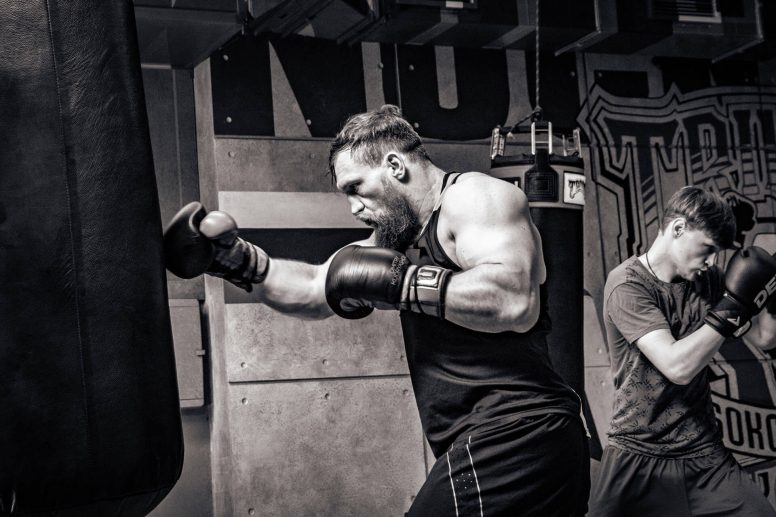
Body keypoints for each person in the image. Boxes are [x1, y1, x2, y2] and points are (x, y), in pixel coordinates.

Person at [164, 105, 590, 516]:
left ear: (395, 166)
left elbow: (513, 300)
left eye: (355, 188)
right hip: (502, 439)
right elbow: (315, 288)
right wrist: (239, 263)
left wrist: (401, 283)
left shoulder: (475, 197)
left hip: (519, 431)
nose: (353, 207)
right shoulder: (393, 241)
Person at [589, 186, 776, 516]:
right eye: (707, 248)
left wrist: (770, 302)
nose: (712, 261)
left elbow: (763, 337)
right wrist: (733, 308)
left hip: (703, 452)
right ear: (678, 229)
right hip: (638, 451)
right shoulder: (628, 285)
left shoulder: (708, 280)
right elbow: (677, 366)